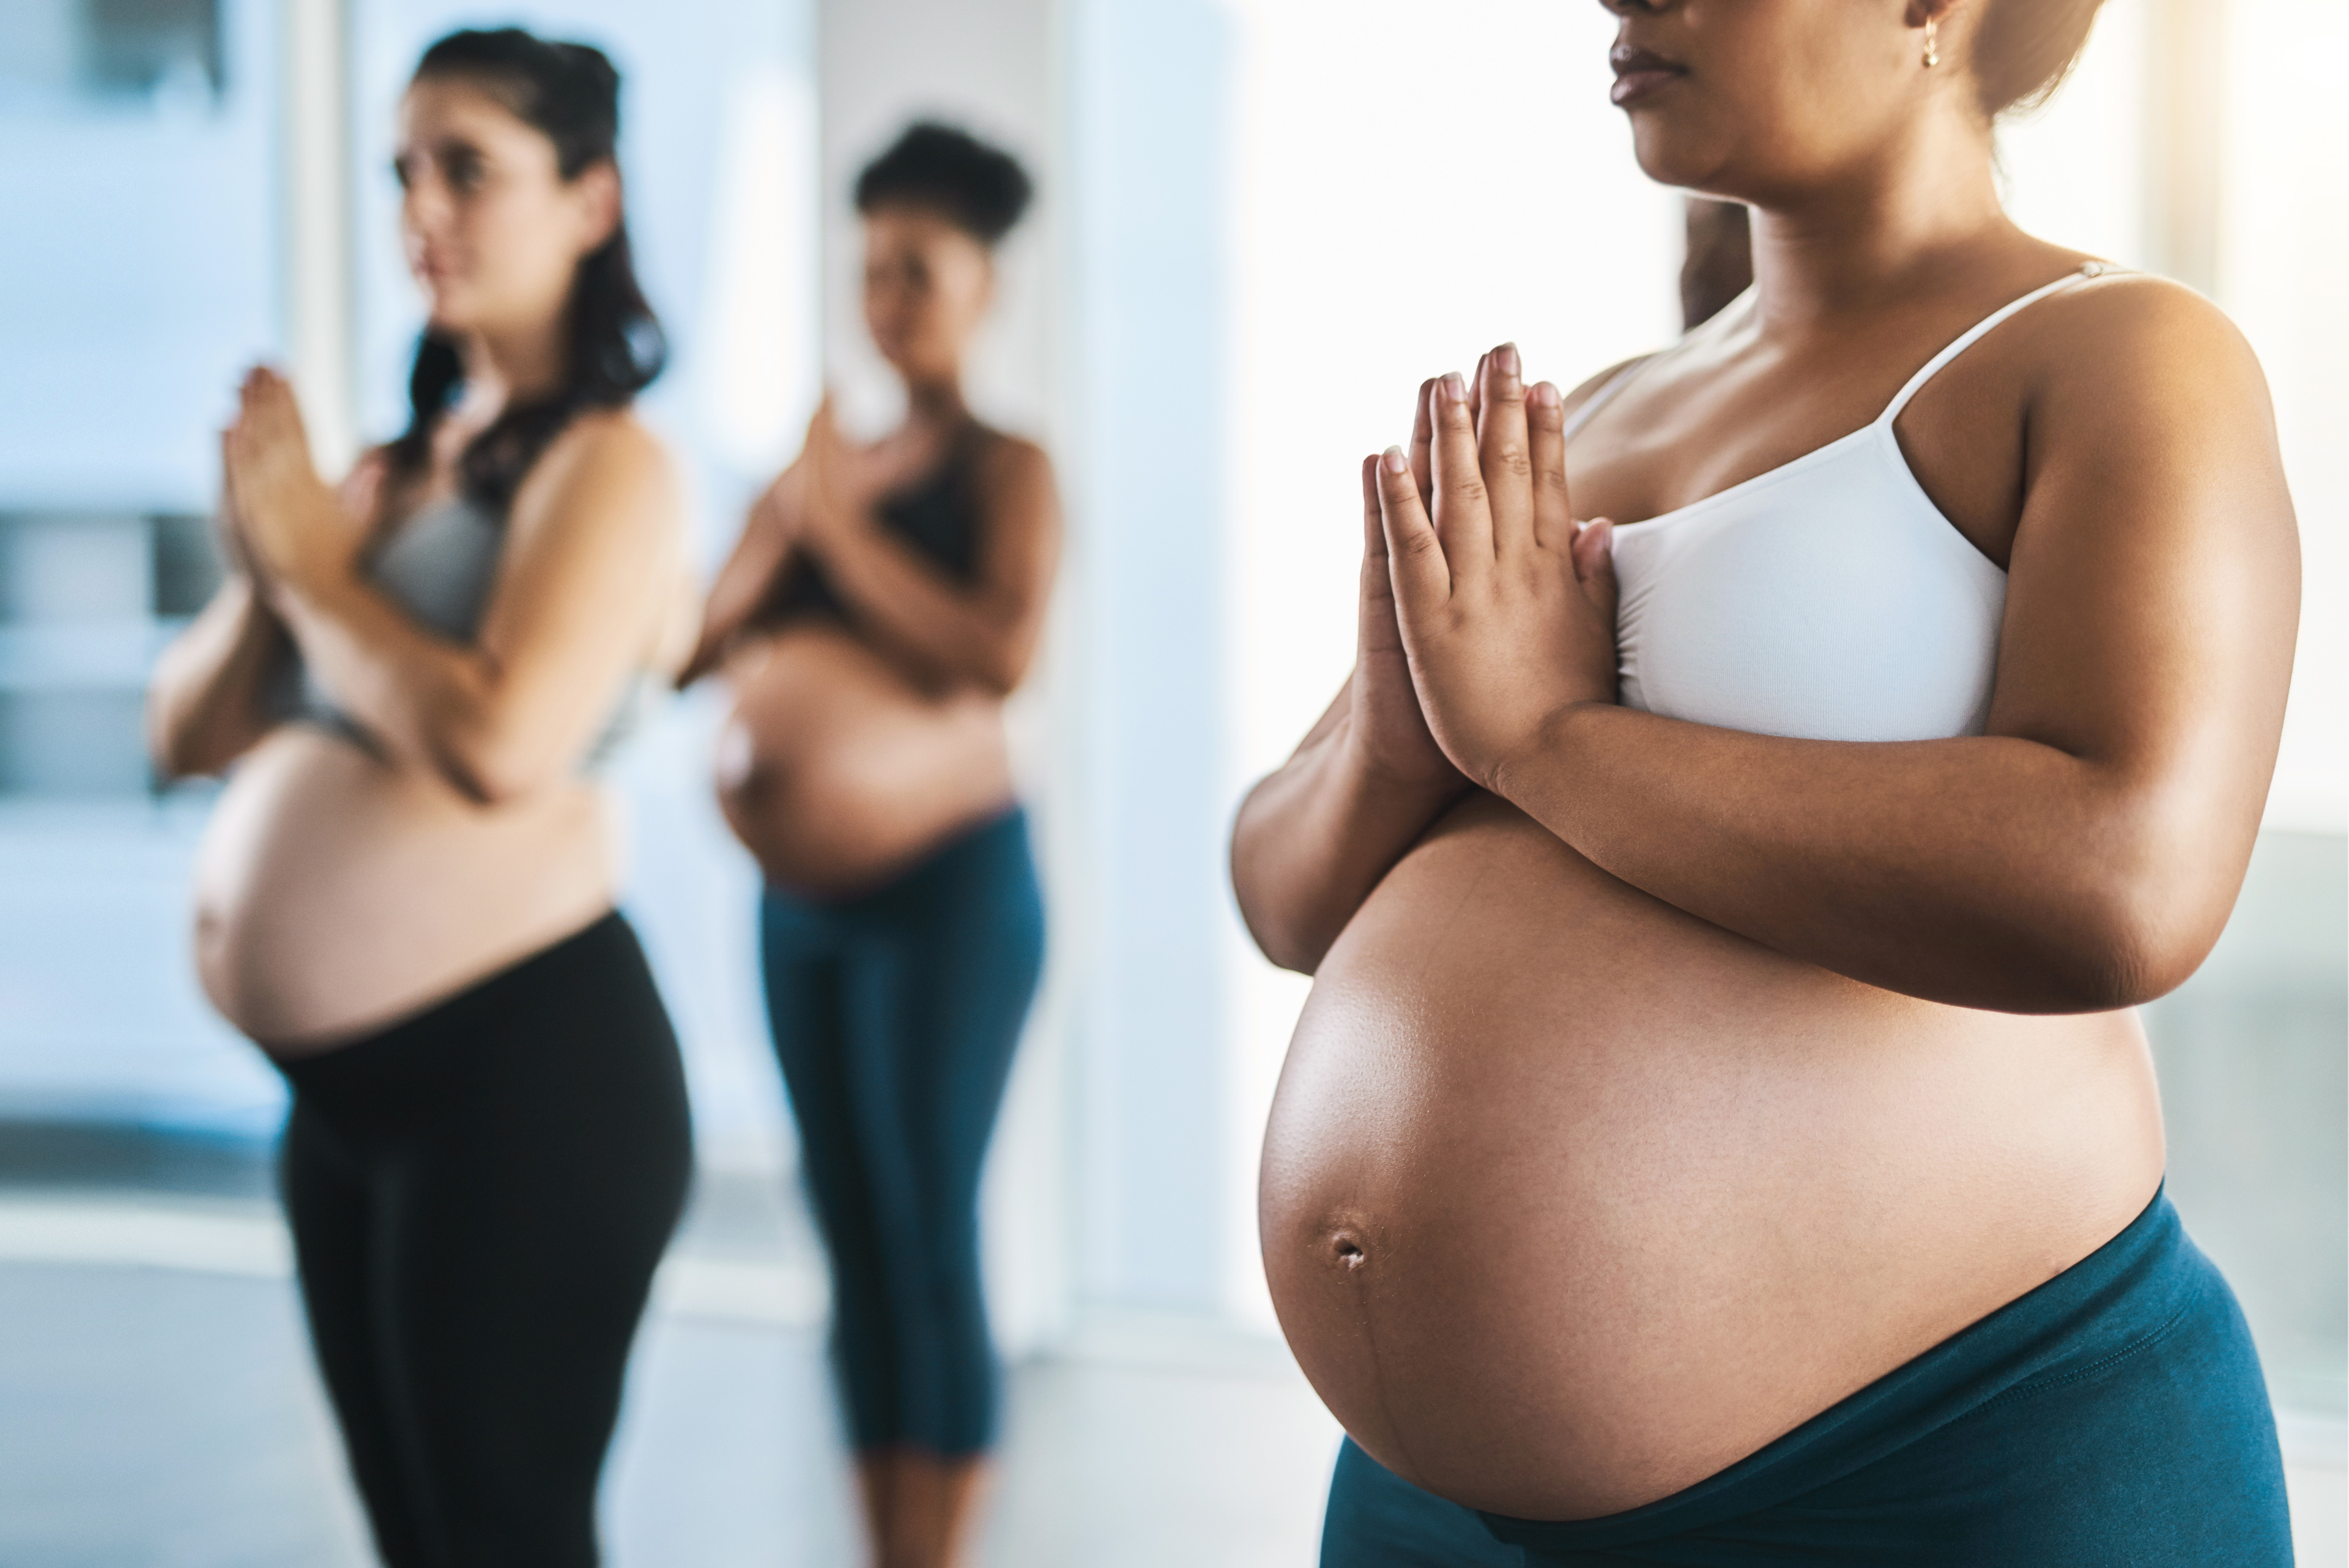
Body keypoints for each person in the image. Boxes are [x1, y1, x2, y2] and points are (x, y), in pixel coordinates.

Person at [1230, 0, 2301, 1561]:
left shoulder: (2119, 355)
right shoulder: (1589, 411)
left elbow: (2123, 883)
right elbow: (1279, 888)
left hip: (1947, 1464)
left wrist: (1550, 744)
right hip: (1433, 1507)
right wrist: (1410, 737)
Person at [147, 29, 695, 1566]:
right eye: (403, 169)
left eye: (470, 167)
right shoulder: (399, 470)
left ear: (592, 200)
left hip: (525, 1082)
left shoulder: (611, 466)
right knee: (416, 1539)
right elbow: (186, 731)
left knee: (506, 1534)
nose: (420, 208)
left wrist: (321, 575)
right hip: (346, 1105)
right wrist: (273, 567)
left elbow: (501, 741)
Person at [680, 122, 1059, 1568]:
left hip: (953, 899)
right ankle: (877, 1548)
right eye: (872, 267)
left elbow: (996, 654)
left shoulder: (1007, 466)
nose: (888, 296)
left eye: (920, 269)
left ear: (982, 288)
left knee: (928, 1234)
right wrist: (792, 522)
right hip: (803, 909)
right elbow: (696, 649)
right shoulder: (819, 467)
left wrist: (837, 528)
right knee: (845, 1243)